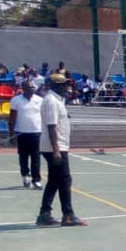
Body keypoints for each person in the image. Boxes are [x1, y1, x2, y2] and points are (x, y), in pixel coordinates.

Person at [36, 74, 85, 227]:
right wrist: (56, 150)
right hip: (55, 147)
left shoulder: (57, 100)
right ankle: (68, 215)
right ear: (56, 85)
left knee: (55, 180)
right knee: (64, 179)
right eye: (63, 84)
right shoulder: (51, 101)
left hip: (56, 145)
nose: (66, 87)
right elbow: (51, 126)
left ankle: (44, 214)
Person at [9, 81, 44, 189]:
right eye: (29, 87)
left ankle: (36, 180)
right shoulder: (16, 100)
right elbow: (12, 118)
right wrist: (11, 133)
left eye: (33, 87)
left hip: (36, 133)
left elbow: (43, 116)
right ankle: (25, 175)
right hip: (22, 133)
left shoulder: (40, 100)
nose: (31, 89)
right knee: (23, 157)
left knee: (36, 158)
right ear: (23, 88)